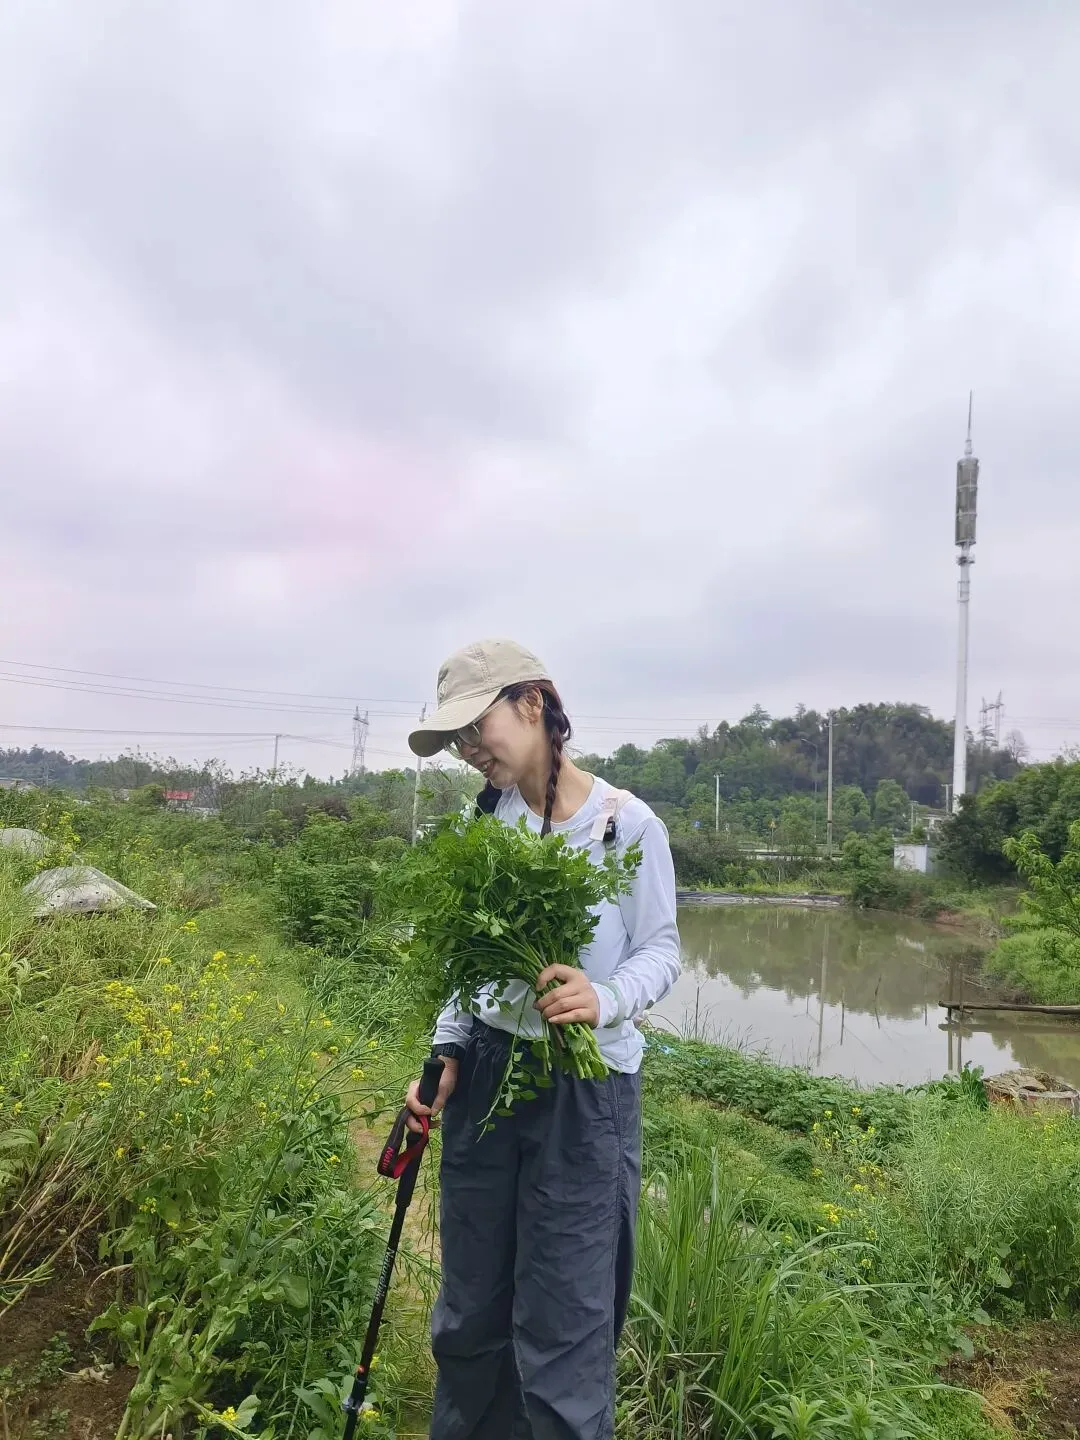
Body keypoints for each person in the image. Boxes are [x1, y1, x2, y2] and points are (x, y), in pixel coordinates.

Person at [404, 637, 681, 1440]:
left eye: (475, 727)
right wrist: (447, 1051)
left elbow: (661, 950)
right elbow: (467, 963)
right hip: (489, 1078)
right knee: (472, 1305)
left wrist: (605, 998)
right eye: (455, 737)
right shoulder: (485, 821)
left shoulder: (625, 825)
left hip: (585, 1091)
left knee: (567, 1319)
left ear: (533, 704)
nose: (467, 749)